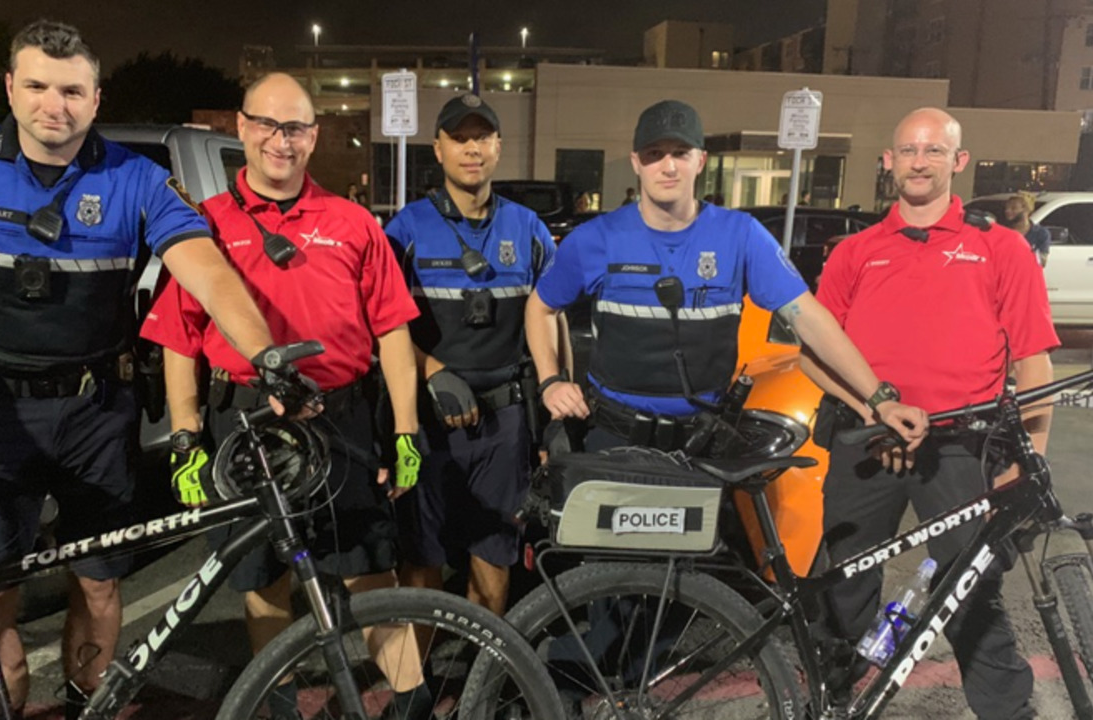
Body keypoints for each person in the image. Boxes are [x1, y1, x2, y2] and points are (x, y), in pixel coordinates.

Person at [0, 20, 283, 717]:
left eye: (71, 91)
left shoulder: (137, 178)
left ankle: (90, 699)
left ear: (95, 98)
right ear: (9, 86)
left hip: (96, 411)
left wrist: (265, 356)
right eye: (35, 85)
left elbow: (209, 273)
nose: (52, 105)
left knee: (100, 583)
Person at [139, 72, 428, 719]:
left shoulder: (353, 222)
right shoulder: (203, 226)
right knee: (262, 581)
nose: (280, 140)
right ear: (241, 128)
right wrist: (186, 437)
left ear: (314, 137)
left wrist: (405, 431)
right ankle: (282, 705)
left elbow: (394, 335)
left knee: (369, 572)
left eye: (294, 127)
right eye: (266, 124)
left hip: (339, 416)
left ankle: (413, 702)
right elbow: (178, 340)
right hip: (241, 420)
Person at [800, 107, 1057, 718]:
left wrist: (1031, 457)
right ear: (889, 161)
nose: (919, 162)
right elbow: (811, 355)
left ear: (957, 162)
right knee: (842, 583)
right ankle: (829, 696)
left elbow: (1035, 363)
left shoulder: (1002, 248)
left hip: (960, 447)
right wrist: (873, 408)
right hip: (868, 441)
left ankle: (1005, 710)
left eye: (933, 151)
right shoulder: (855, 252)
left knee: (971, 585)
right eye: (908, 151)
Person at [525, 99, 926, 457]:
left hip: (704, 443)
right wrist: (551, 382)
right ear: (636, 163)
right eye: (655, 154)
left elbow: (810, 318)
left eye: (681, 153)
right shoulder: (596, 238)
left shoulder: (741, 234)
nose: (668, 166)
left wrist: (879, 398)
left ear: (700, 160)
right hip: (612, 439)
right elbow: (540, 308)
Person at [386, 93, 554, 616]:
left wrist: (550, 421)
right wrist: (431, 370)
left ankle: (481, 686)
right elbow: (381, 327)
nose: (471, 148)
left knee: (494, 554)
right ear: (437, 149)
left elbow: (553, 323)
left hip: (504, 426)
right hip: (429, 425)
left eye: (482, 137)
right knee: (422, 559)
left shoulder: (529, 230)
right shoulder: (405, 230)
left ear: (498, 147)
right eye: (459, 138)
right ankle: (420, 691)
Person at [1002, 191, 1050, 267]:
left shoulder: (1040, 233)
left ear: (1026, 210)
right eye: (1006, 208)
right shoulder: (1002, 232)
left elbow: (1041, 262)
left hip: (1028, 277)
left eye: (1013, 208)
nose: (1007, 211)